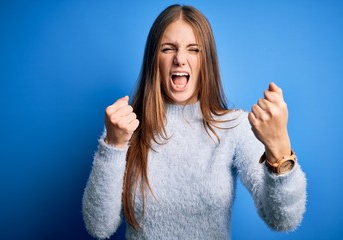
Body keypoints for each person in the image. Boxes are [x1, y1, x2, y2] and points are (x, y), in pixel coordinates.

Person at [82, 4, 306, 240]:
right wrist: (113, 147)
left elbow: (283, 220)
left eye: (193, 49)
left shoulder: (233, 127)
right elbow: (99, 227)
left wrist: (279, 146)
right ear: (153, 60)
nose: (180, 59)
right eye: (168, 49)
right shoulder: (126, 128)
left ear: (206, 61)